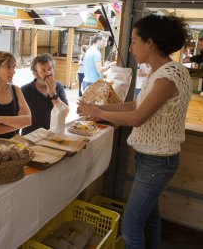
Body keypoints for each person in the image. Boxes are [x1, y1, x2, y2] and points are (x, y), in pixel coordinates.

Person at [77, 14, 192, 249]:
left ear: (150, 43)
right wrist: (99, 107)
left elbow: (137, 117)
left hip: (156, 162)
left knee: (130, 225)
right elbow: (135, 105)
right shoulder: (161, 73)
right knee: (149, 217)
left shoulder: (168, 76)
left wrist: (99, 114)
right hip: (152, 159)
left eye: (134, 41)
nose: (130, 47)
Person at [21, 53, 68, 135]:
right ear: (35, 73)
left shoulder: (58, 86)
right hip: (31, 137)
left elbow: (64, 114)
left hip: (53, 135)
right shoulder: (25, 90)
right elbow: (20, 119)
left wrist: (53, 93)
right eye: (43, 70)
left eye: (50, 69)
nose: (48, 73)